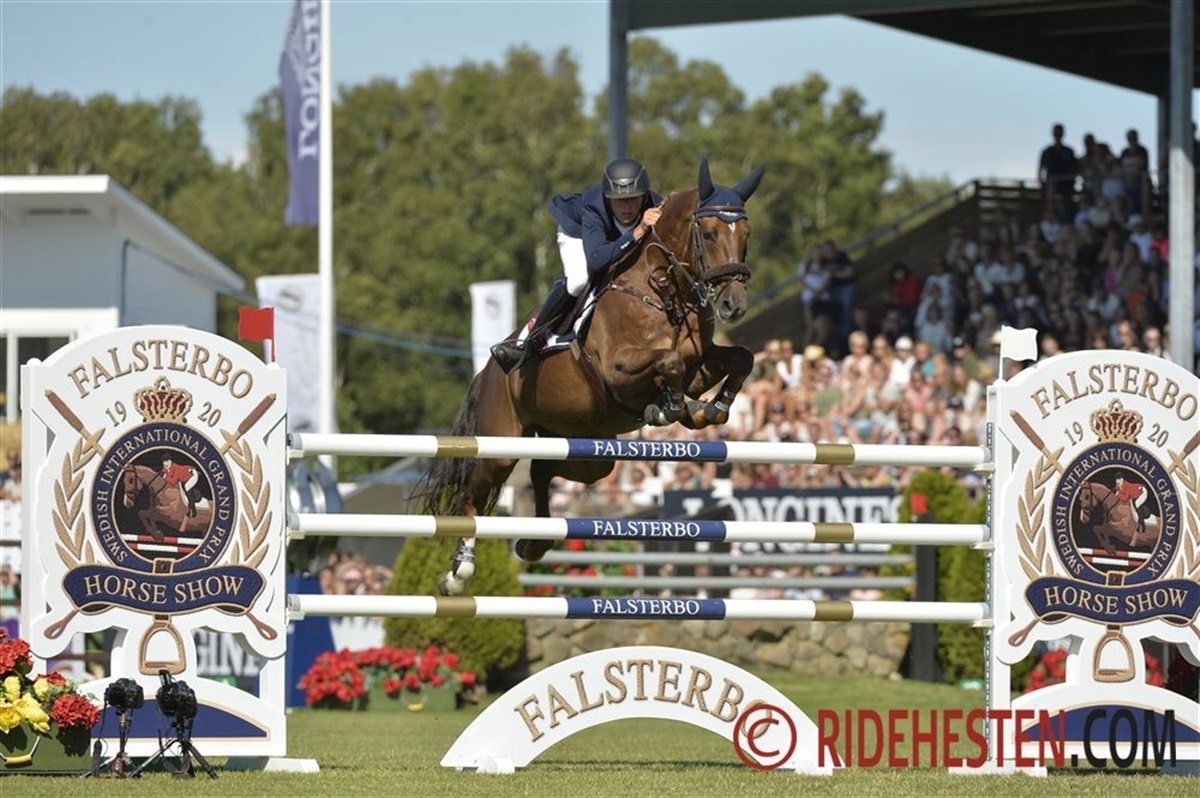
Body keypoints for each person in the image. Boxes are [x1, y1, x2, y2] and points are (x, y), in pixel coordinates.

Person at [491, 157, 663, 373]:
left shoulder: (655, 207)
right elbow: (597, 259)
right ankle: (530, 339)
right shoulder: (594, 207)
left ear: (644, 196)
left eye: (634, 199)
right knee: (580, 280)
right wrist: (636, 233)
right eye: (619, 200)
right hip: (578, 233)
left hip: (611, 240)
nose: (627, 207)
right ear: (608, 199)